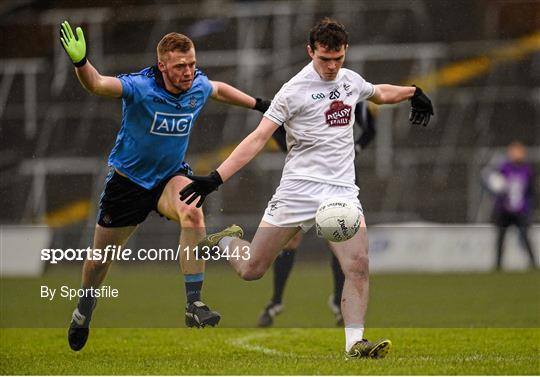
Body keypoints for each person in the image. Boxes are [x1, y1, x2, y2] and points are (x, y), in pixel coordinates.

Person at [180, 18, 434, 358]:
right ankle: (226, 239)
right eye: (324, 59)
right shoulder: (292, 91)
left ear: (345, 53)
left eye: (338, 58)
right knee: (252, 269)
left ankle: (354, 344)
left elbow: (379, 93)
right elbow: (257, 138)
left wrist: (413, 93)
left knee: (357, 265)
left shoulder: (349, 80)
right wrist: (215, 177)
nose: (331, 67)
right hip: (297, 191)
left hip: (341, 193)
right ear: (310, 51)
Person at [59, 21, 270, 351]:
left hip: (169, 178)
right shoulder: (140, 87)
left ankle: (194, 304)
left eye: (192, 64)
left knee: (193, 212)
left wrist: (260, 105)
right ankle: (84, 309)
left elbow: (217, 89)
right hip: (128, 185)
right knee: (100, 261)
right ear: (162, 65)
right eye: (180, 66)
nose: (188, 72)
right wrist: (80, 63)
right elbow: (98, 84)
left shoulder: (196, 86)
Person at [258, 102, 376, 328]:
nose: (331, 65)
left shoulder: (349, 94)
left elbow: (370, 129)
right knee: (290, 240)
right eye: (325, 62)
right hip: (302, 182)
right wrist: (296, 153)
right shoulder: (296, 94)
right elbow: (275, 127)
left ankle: (338, 302)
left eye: (335, 62)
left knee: (341, 237)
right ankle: (276, 301)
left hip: (339, 180)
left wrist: (356, 149)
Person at [487, 141, 537, 270]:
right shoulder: (504, 168)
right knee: (501, 238)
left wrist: (528, 207)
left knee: (525, 236)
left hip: (521, 210)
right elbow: (494, 183)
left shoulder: (527, 170)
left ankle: (533, 264)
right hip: (505, 210)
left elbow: (530, 191)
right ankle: (498, 265)